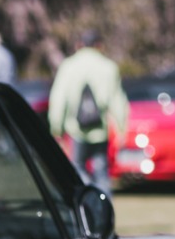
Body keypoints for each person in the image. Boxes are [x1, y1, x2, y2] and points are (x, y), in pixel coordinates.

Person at [48, 30, 128, 194]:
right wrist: (121, 127)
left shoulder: (69, 66)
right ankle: (103, 202)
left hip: (76, 129)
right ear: (99, 45)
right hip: (100, 129)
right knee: (101, 169)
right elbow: (117, 100)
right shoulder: (108, 67)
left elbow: (58, 99)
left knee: (78, 167)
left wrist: (56, 129)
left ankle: (88, 196)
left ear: (79, 45)